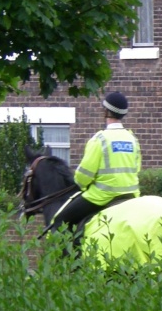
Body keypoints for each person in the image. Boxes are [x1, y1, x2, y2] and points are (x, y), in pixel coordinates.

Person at [49, 91, 142, 235]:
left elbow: (84, 175)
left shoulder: (100, 139)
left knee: (60, 221)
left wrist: (82, 185)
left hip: (101, 196)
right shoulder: (133, 139)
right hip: (131, 196)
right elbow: (137, 168)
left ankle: (73, 249)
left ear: (106, 111)